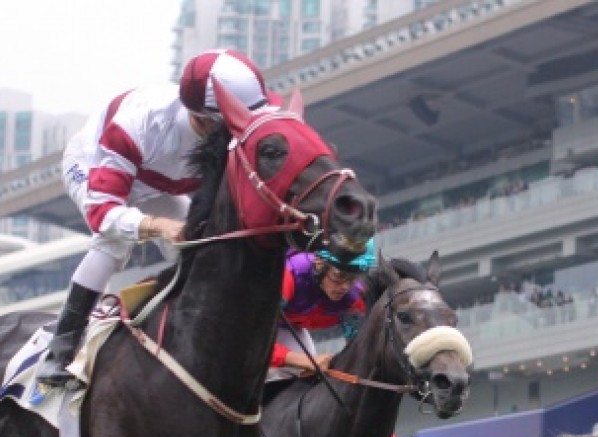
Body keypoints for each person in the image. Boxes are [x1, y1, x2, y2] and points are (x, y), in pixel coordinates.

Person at [37, 49, 275, 387]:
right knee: (112, 245)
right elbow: (102, 214)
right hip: (96, 167)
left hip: (160, 181)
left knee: (195, 246)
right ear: (205, 120)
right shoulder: (138, 125)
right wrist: (158, 226)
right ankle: (60, 351)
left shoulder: (226, 120)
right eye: (235, 121)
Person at [262, 241, 375, 402]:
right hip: (242, 322)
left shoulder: (354, 299)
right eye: (339, 276)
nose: (344, 287)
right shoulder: (289, 276)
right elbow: (249, 343)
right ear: (319, 263)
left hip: (289, 326)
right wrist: (305, 360)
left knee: (310, 379)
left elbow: (359, 353)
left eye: (352, 278)